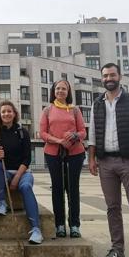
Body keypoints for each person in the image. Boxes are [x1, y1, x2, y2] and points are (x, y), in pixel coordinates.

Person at [88, 63, 129, 257]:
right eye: (105, 75)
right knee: (112, 208)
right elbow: (92, 135)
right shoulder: (97, 104)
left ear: (120, 77)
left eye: (112, 74)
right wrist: (91, 158)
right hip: (105, 163)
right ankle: (118, 250)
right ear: (102, 78)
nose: (109, 78)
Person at [0, 101, 43, 244]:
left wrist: (17, 178)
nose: (6, 114)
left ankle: (36, 229)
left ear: (14, 113)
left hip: (22, 172)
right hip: (2, 172)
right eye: (3, 111)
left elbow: (27, 159)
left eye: (9, 111)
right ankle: (1, 202)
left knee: (26, 187)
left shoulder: (22, 132)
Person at [39, 80, 87, 238]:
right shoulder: (47, 110)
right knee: (57, 188)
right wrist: (59, 140)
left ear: (68, 92)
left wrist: (74, 136)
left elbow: (82, 132)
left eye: (64, 89)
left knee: (73, 188)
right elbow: (43, 133)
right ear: (53, 91)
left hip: (75, 153)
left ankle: (74, 224)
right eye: (58, 88)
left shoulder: (75, 110)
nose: (60, 91)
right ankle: (59, 224)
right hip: (53, 153)